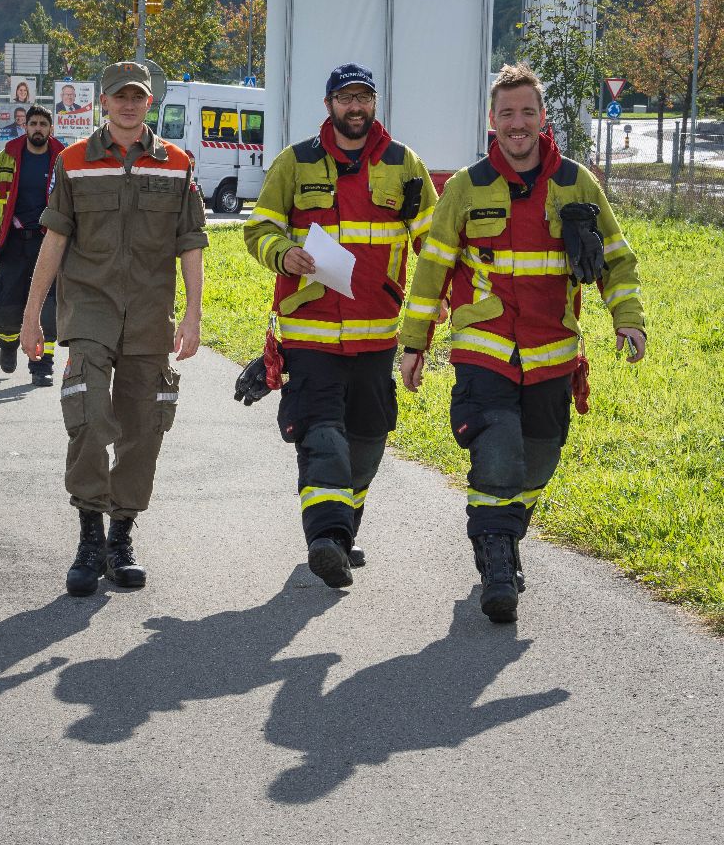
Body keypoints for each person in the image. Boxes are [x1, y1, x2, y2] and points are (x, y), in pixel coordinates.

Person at [399, 63, 646, 624]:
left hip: (553, 352)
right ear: (492, 120)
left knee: (539, 461)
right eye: (507, 113)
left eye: (527, 112)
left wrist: (627, 319)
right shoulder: (465, 187)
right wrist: (415, 343)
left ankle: (504, 538)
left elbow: (615, 259)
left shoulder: (577, 184)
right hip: (483, 348)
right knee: (498, 451)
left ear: (542, 117)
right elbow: (432, 270)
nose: (517, 123)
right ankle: (496, 566)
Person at [244, 63, 437, 589]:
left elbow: (435, 243)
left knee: (367, 441)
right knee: (322, 434)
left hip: (377, 335)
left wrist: (439, 298)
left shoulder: (404, 164)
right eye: (345, 98)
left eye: (363, 98)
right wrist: (283, 253)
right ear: (328, 104)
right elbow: (259, 228)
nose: (355, 107)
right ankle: (326, 539)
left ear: (374, 104)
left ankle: (343, 532)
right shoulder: (295, 161)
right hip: (310, 334)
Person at [21, 61, 208, 597]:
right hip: (90, 313)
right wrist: (32, 314)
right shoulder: (74, 161)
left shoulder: (177, 164)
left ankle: (121, 536)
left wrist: (193, 315)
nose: (129, 105)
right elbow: (55, 239)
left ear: (150, 102)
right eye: (119, 96)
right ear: (103, 102)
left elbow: (191, 244)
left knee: (144, 428)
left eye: (138, 97)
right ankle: (89, 535)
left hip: (150, 315)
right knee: (89, 417)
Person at [0, 105, 64, 385]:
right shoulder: (8, 157)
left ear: (51, 129)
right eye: (33, 123)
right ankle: (8, 344)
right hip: (13, 243)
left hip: (49, 243)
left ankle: (42, 365)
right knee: (8, 308)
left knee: (49, 309)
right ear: (25, 126)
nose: (38, 128)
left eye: (43, 124)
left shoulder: (62, 158)